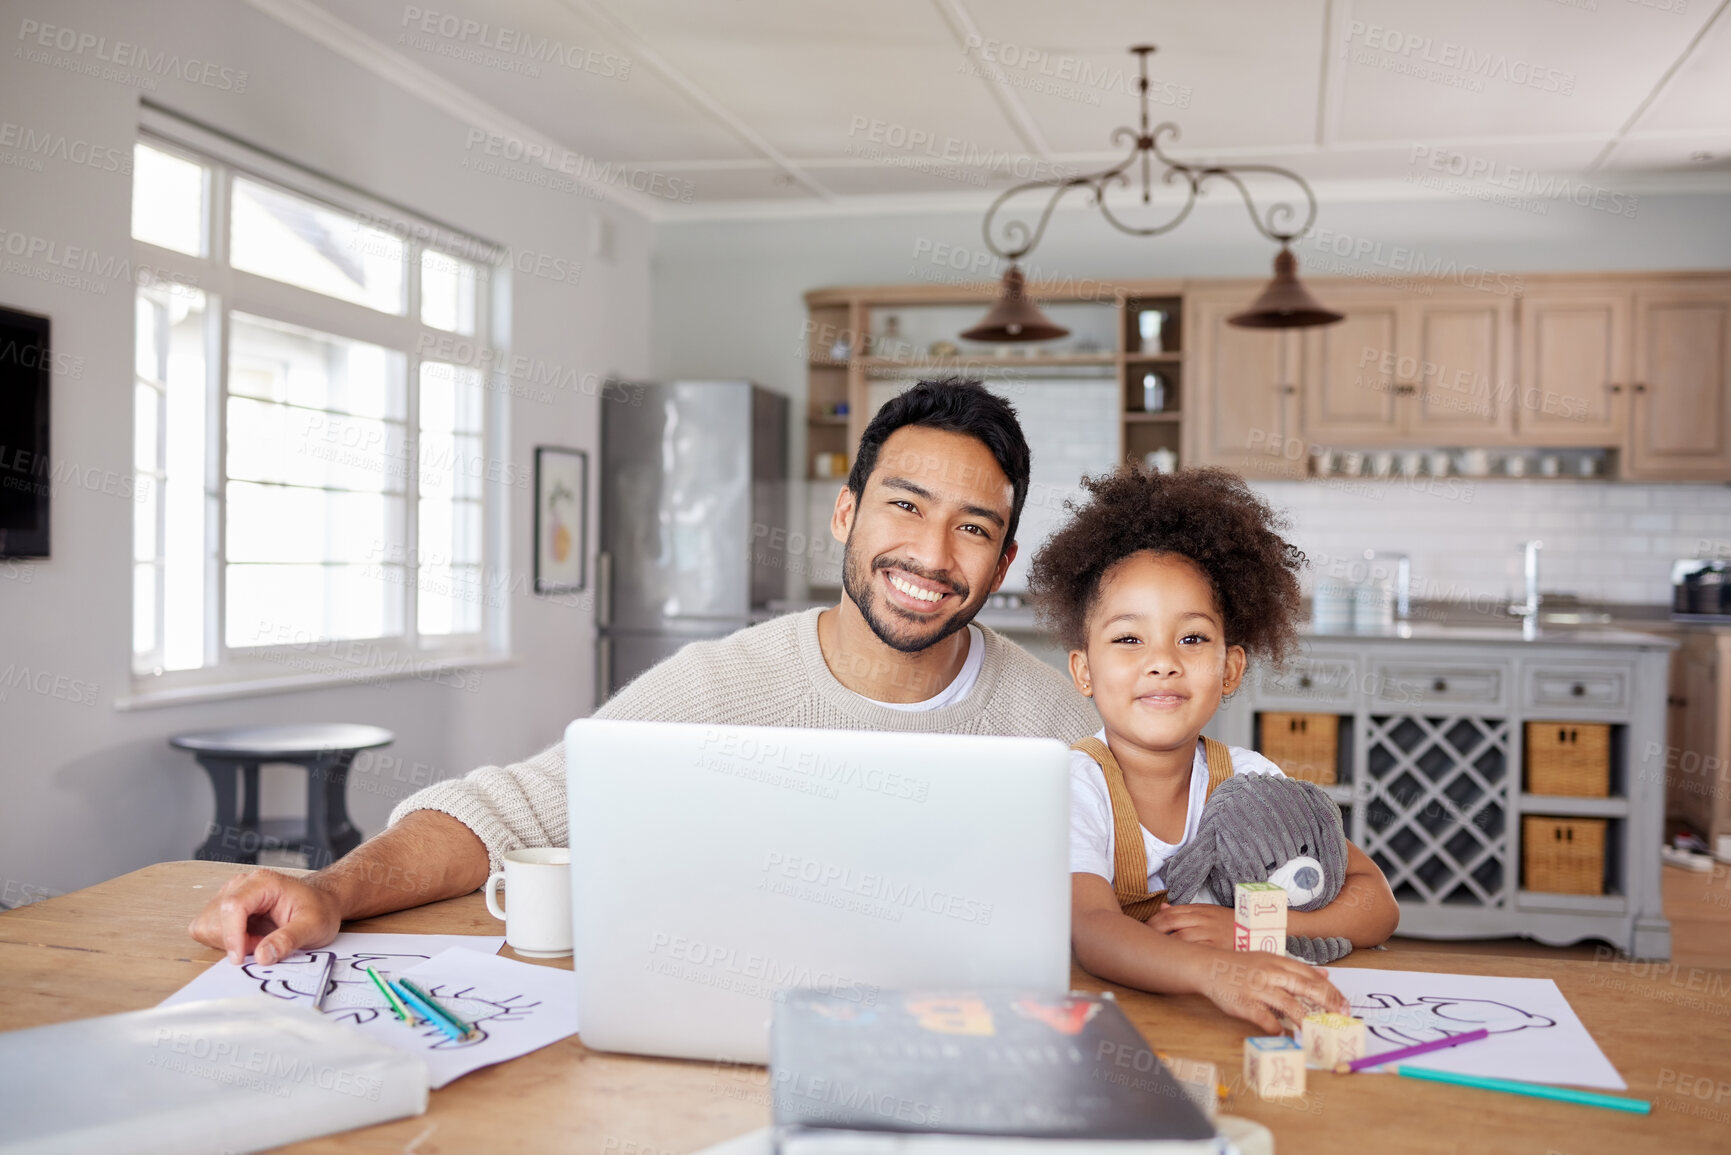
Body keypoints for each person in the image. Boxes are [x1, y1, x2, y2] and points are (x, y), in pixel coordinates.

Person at [188, 379, 1099, 964]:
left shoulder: (1058, 720)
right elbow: (512, 810)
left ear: (1005, 557)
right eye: (905, 506)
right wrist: (329, 889)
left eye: (972, 527)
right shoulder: (719, 686)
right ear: (845, 513)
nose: (931, 553)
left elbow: (1151, 873)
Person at [1027, 464, 1400, 1033]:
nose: (1163, 661)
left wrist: (1251, 932)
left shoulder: (1250, 782)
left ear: (1230, 668)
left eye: (1193, 638)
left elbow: (1377, 905)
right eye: (1129, 639)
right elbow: (1094, 929)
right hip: (1112, 1032)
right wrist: (1216, 972)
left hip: (1224, 1027)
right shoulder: (1077, 784)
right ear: (1083, 669)